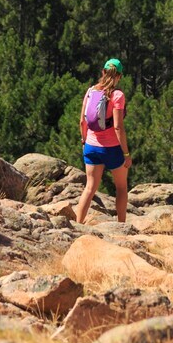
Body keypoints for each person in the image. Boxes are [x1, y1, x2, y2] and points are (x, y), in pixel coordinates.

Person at [75, 58, 131, 224]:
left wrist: (85, 141)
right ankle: (121, 226)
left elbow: (82, 122)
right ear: (119, 76)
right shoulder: (117, 95)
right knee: (121, 187)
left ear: (103, 72)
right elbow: (118, 127)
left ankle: (78, 225)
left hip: (91, 146)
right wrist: (126, 154)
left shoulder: (91, 91)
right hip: (112, 149)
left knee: (90, 188)